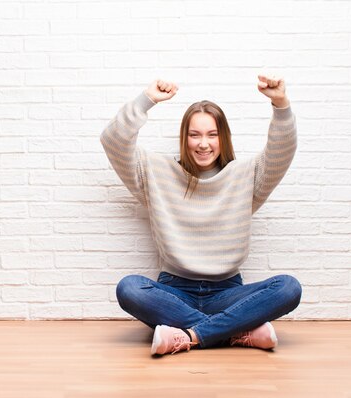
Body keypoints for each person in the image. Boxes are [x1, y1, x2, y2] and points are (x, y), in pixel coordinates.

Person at [100, 75, 302, 356]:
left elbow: (283, 149)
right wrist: (146, 100)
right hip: (174, 291)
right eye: (195, 135)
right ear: (185, 137)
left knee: (289, 288)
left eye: (212, 134)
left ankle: (190, 335)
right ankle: (235, 332)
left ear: (223, 138)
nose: (203, 144)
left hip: (228, 294)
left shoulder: (247, 175)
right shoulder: (155, 172)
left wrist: (280, 103)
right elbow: (113, 140)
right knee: (130, 288)